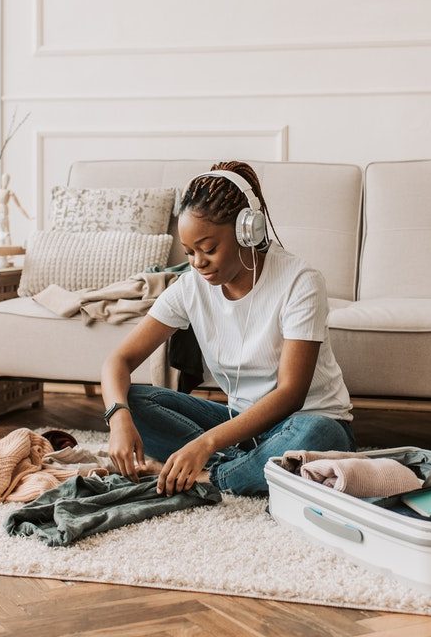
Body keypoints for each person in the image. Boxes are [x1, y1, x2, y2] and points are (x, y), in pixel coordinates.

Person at [101, 161, 355, 496]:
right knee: (131, 400)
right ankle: (250, 467)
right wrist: (118, 417)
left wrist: (205, 444)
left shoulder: (300, 282)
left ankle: (205, 476)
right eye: (190, 252)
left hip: (304, 420)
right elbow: (117, 361)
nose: (197, 262)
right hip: (238, 425)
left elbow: (291, 394)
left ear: (246, 231)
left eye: (208, 249)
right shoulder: (190, 287)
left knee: (318, 435)